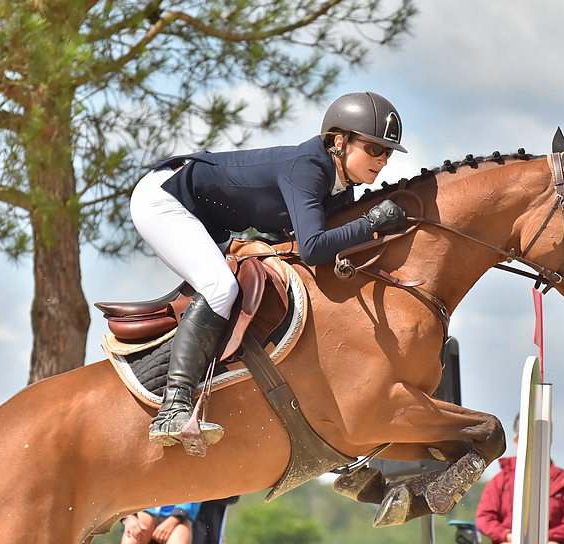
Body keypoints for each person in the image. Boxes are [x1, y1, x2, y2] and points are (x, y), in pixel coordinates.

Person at [130, 91, 409, 455]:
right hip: (164, 199)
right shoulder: (309, 168)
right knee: (219, 288)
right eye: (375, 149)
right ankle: (173, 408)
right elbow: (312, 247)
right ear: (339, 142)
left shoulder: (340, 187)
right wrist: (371, 224)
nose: (383, 160)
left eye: (388, 153)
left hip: (200, 214)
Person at [475, 413, 564, 544]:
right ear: (517, 441)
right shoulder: (500, 481)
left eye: (540, 438)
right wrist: (508, 536)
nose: (535, 444)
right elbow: (485, 518)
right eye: (528, 439)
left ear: (549, 440)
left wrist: (540, 537)